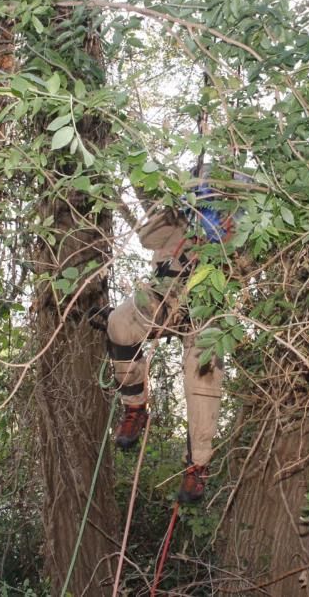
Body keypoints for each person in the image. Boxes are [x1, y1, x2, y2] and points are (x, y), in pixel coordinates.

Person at [104, 172, 231, 504]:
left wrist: (221, 238)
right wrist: (182, 207)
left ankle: (198, 466)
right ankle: (135, 407)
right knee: (120, 323)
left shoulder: (239, 225)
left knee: (203, 378)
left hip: (206, 308)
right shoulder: (178, 211)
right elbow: (149, 237)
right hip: (165, 294)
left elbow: (242, 267)